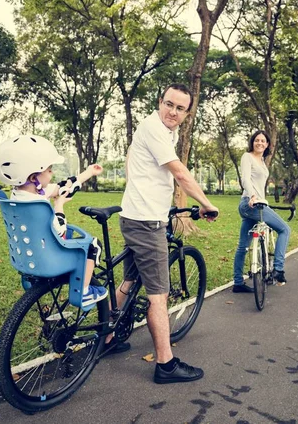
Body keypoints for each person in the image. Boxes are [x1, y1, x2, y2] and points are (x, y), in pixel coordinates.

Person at [117, 83, 219, 384]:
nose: (172, 112)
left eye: (179, 108)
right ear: (160, 102)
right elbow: (180, 174)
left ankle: (108, 338)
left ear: (186, 113)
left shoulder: (162, 131)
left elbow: (142, 167)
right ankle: (165, 363)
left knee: (129, 280)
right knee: (158, 297)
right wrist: (207, 204)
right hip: (147, 224)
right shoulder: (155, 129)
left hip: (138, 216)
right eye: (169, 104)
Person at [0, 135, 107, 309]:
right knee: (93, 245)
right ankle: (84, 292)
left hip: (27, 255)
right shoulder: (39, 205)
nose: (52, 172)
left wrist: (88, 173)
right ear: (33, 177)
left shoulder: (20, 196)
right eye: (49, 169)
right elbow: (60, 229)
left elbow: (63, 188)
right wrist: (59, 205)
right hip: (51, 257)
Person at [232, 130, 291, 293]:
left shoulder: (263, 161)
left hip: (259, 204)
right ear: (252, 142)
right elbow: (245, 179)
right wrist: (252, 196)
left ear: (267, 145)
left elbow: (259, 185)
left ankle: (237, 283)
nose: (259, 143)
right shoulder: (247, 157)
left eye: (263, 141)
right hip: (249, 203)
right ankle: (278, 269)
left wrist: (263, 200)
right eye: (257, 140)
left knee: (243, 246)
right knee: (285, 229)